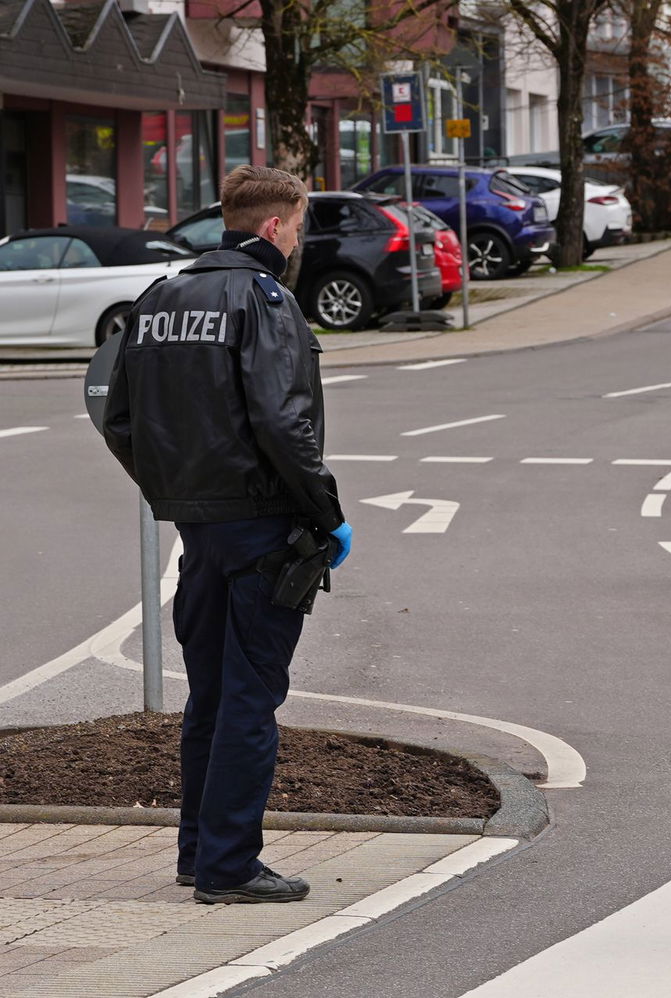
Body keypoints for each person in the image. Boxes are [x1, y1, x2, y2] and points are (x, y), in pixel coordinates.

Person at [103, 165, 353, 904]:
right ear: (275, 227)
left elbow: (119, 418)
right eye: (299, 226)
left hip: (197, 531)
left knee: (209, 698)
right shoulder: (265, 299)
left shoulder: (160, 297)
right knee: (250, 700)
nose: (298, 238)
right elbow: (283, 422)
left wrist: (173, 489)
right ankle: (230, 866)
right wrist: (328, 512)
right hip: (261, 529)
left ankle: (198, 852)